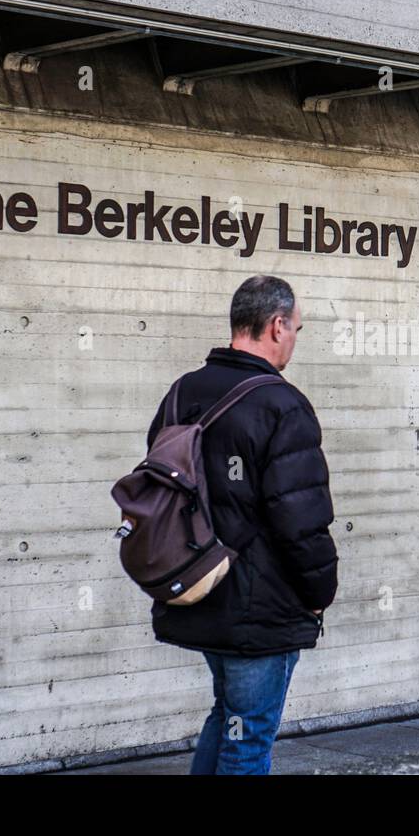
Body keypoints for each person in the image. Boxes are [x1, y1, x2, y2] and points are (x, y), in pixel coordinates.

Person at [144, 275, 338, 774]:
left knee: (229, 717)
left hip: (196, 586)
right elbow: (301, 520)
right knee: (249, 737)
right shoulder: (282, 404)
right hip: (261, 604)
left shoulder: (182, 392)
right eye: (296, 327)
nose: (295, 337)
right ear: (276, 326)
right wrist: (320, 591)